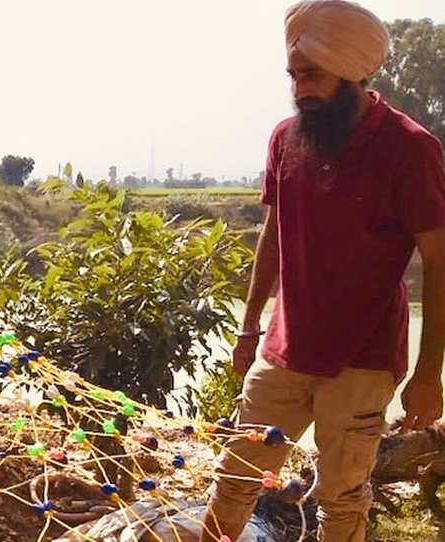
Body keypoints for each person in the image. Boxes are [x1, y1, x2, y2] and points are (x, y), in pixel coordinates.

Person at [201, 2, 445, 541]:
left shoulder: (410, 149)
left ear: (353, 71)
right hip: (283, 351)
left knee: (341, 500)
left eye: (312, 74)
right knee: (235, 478)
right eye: (293, 76)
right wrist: (248, 327)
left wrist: (428, 376)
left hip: (363, 360)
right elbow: (274, 234)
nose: (300, 88)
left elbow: (439, 261)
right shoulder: (286, 139)